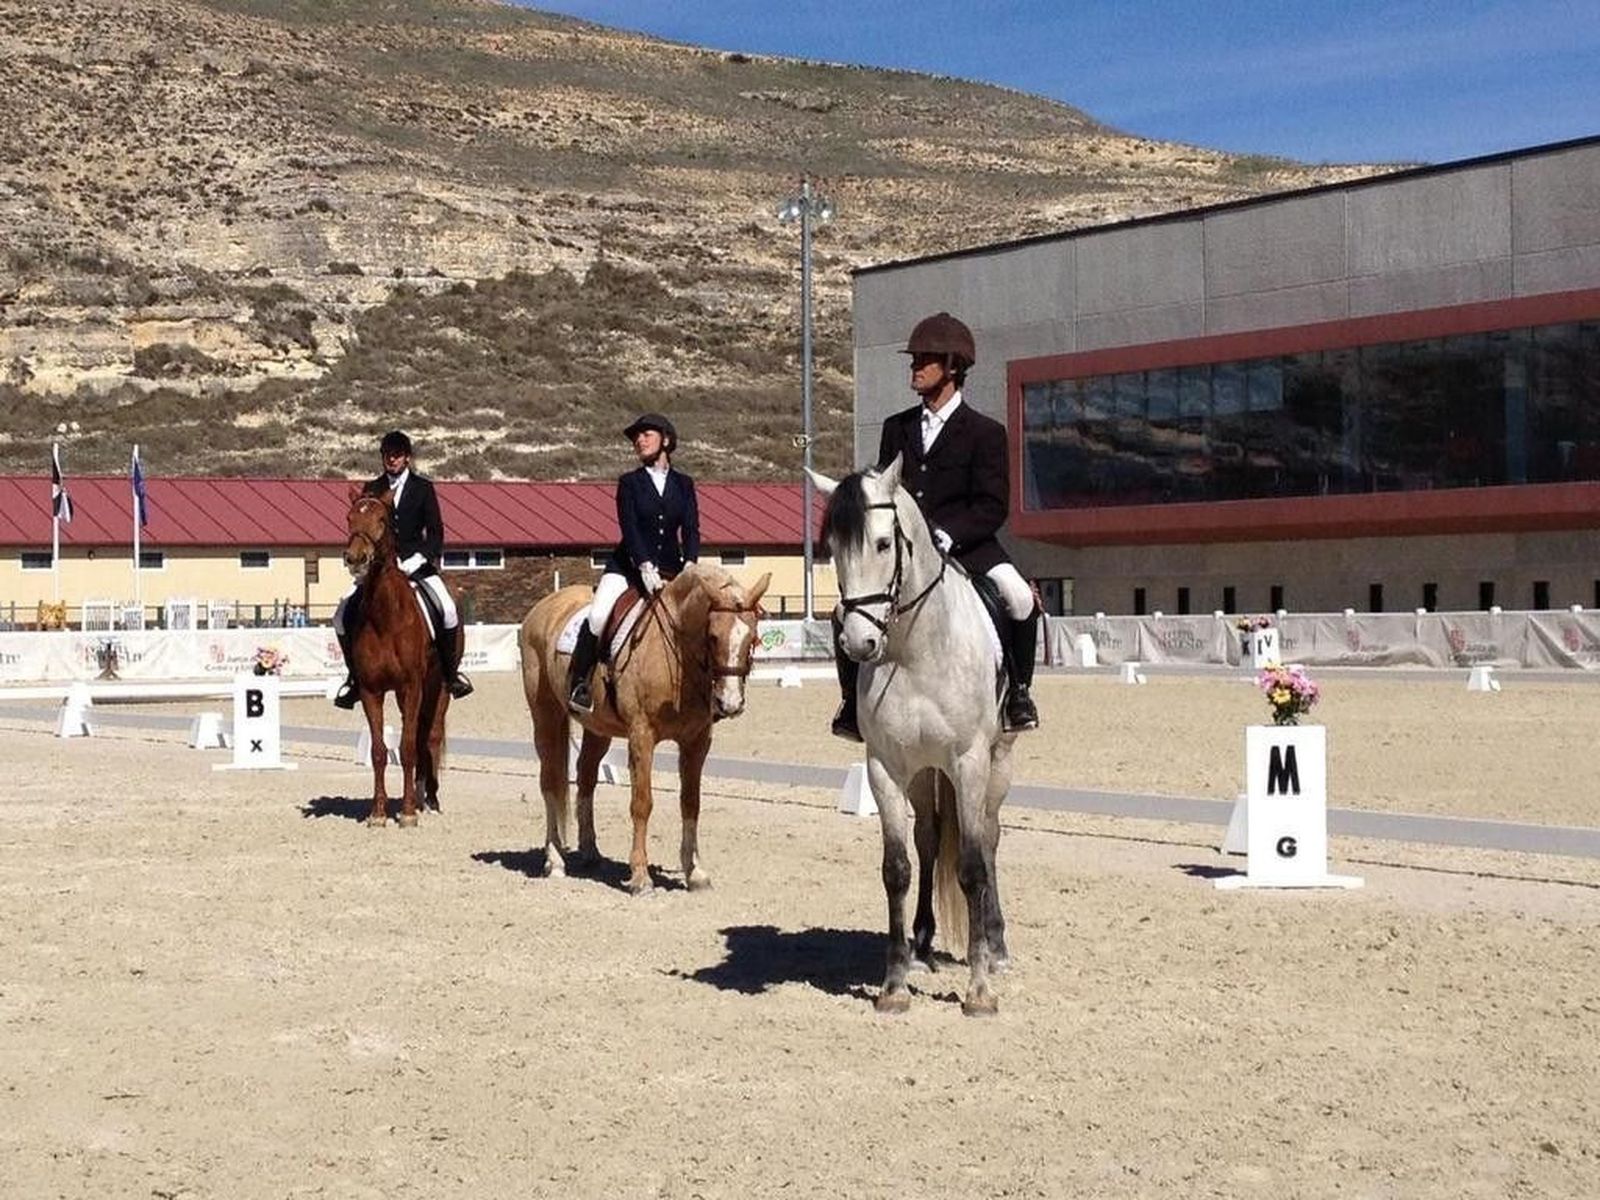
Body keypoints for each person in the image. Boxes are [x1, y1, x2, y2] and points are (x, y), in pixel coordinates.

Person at [831, 311, 1041, 740]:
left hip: (969, 546)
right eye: (915, 360)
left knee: (1020, 599)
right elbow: (884, 493)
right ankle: (852, 704)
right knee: (843, 612)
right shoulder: (897, 427)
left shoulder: (986, 432)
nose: (915, 367)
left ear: (952, 368)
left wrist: (947, 533)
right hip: (909, 554)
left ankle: (1018, 694)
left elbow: (992, 504)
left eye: (925, 360)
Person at [568, 413, 700, 714]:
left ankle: (704, 689)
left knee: (699, 620)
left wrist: (690, 562)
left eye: (646, 435)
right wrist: (643, 565)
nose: (639, 440)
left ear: (665, 440)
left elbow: (691, 528)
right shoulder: (629, 483)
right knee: (599, 616)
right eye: (635, 438)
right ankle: (581, 683)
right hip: (627, 568)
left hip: (672, 569)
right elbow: (629, 527)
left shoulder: (684, 484)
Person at [332, 430, 474, 708]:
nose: (391, 459)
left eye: (396, 454)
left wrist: (419, 558)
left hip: (415, 564)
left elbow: (435, 534)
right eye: (387, 455)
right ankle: (353, 679)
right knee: (340, 615)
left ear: (406, 458)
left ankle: (450, 674)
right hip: (379, 570)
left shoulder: (422, 488)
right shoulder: (371, 488)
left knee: (446, 608)